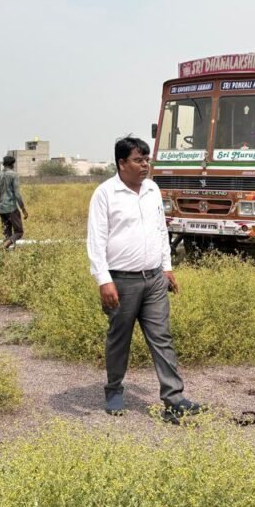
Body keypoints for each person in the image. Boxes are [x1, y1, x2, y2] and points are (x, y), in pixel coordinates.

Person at [86, 135, 202, 423]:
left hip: (153, 280)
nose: (145, 165)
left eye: (147, 159)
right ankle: (114, 390)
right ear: (121, 163)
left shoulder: (152, 189)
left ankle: (174, 399)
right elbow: (96, 240)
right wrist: (104, 280)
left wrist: (167, 267)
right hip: (122, 281)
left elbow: (160, 231)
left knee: (162, 338)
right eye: (138, 160)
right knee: (119, 339)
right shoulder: (105, 194)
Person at [0, 155, 29, 249]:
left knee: (7, 235)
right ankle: (2, 247)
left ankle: (7, 254)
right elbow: (17, 194)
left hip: (1, 209)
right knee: (19, 232)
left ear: (3, 164)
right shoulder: (13, 175)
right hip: (11, 208)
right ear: (12, 165)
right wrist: (23, 209)